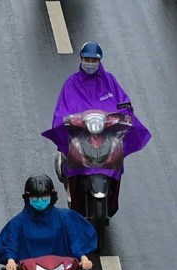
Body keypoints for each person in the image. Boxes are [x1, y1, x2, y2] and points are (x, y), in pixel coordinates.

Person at [41, 41, 151, 196]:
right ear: (81, 59)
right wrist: (65, 123)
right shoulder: (71, 83)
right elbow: (62, 109)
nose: (90, 64)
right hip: (81, 132)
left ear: (100, 61)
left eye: (94, 60)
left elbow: (123, 103)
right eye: (87, 60)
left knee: (117, 152)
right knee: (69, 150)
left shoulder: (109, 81)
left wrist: (124, 115)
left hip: (106, 132)